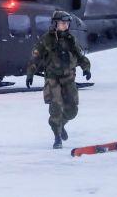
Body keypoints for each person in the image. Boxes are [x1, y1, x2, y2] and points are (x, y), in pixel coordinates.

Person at [26, 10, 91, 149]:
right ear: (55, 24)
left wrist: (86, 68)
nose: (65, 26)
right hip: (52, 78)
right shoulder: (46, 39)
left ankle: (61, 125)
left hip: (68, 78)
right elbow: (35, 57)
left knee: (72, 110)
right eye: (62, 23)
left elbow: (79, 56)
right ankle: (57, 137)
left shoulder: (71, 39)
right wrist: (30, 73)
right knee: (56, 108)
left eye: (67, 23)